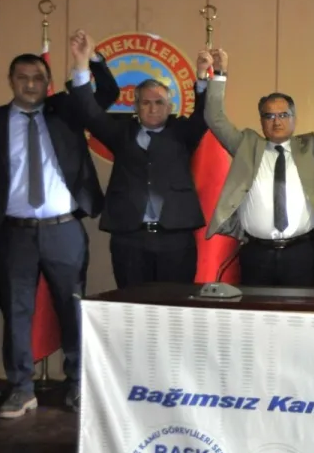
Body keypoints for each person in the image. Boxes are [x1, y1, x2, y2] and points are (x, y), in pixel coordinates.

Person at [0, 36, 119, 418]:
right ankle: (21, 388)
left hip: (63, 230)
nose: (30, 84)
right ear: (10, 81)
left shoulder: (67, 110)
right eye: (22, 77)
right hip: (13, 233)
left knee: (73, 308)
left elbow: (108, 93)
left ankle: (78, 383)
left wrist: (90, 59)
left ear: (48, 82)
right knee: (17, 312)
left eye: (37, 77)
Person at [65, 31, 208, 288]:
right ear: (135, 106)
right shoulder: (120, 133)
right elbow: (89, 110)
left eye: (159, 102)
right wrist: (83, 62)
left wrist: (203, 76)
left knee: (175, 304)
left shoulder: (183, 133)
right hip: (129, 238)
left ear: (170, 106)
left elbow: (205, 113)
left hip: (175, 238)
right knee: (131, 304)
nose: (152, 108)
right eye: (146, 103)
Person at [202, 49, 314, 286]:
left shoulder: (311, 149)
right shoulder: (246, 146)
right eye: (269, 116)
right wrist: (220, 73)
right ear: (261, 121)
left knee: (300, 309)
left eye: (283, 115)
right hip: (256, 253)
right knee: (256, 309)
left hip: (300, 253)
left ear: (294, 118)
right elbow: (214, 117)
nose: (277, 121)